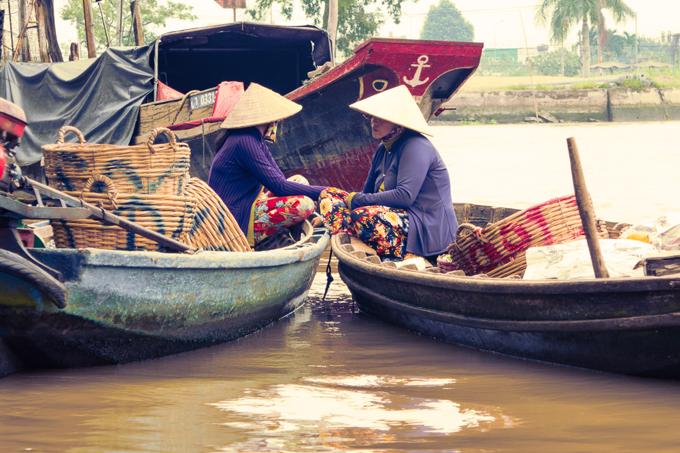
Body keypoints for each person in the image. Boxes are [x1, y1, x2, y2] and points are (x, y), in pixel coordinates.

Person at [319, 84, 458, 260]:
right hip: (393, 217)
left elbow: (404, 196)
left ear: (397, 123)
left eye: (381, 118)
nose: (373, 122)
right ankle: (353, 240)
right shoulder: (383, 149)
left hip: (423, 224)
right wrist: (342, 207)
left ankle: (405, 254)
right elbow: (368, 191)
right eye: (372, 117)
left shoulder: (416, 146)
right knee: (328, 195)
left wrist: (355, 201)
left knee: (363, 216)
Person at [208, 83, 326, 247]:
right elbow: (280, 187)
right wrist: (325, 192)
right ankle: (274, 241)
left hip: (251, 204)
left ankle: (286, 236)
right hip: (235, 218)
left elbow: (279, 179)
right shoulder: (244, 141)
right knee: (304, 204)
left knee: (299, 180)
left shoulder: (255, 139)